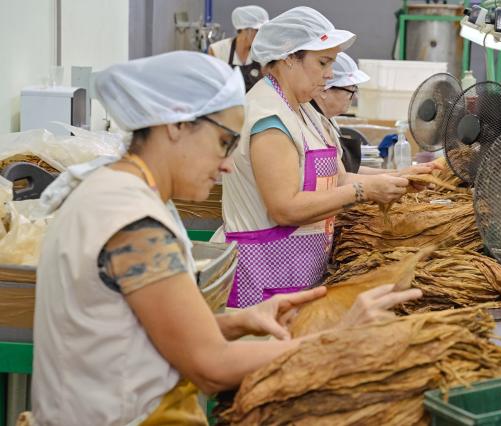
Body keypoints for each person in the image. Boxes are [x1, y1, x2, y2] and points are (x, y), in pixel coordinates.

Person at [30, 51, 421, 425]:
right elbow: (210, 367)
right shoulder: (133, 224)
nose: (228, 164)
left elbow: (130, 334)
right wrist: (336, 338)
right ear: (177, 125)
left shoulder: (119, 193)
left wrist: (238, 323)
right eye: (223, 143)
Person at [219, 7, 438, 308]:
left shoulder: (305, 111)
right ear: (287, 58)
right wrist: (365, 192)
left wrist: (400, 178)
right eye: (322, 62)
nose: (330, 74)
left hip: (301, 268)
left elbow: (338, 177)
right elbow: (285, 209)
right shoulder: (269, 119)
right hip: (264, 275)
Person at [312, 52, 441, 176]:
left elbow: (350, 171)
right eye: (350, 90)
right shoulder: (313, 128)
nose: (355, 97)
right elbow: (341, 179)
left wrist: (402, 173)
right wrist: (397, 177)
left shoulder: (328, 121)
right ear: (324, 90)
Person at [208, 5, 268, 91]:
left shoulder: (263, 52)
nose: (261, 35)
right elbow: (212, 85)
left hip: (254, 102)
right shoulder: (217, 50)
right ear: (245, 29)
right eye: (258, 30)